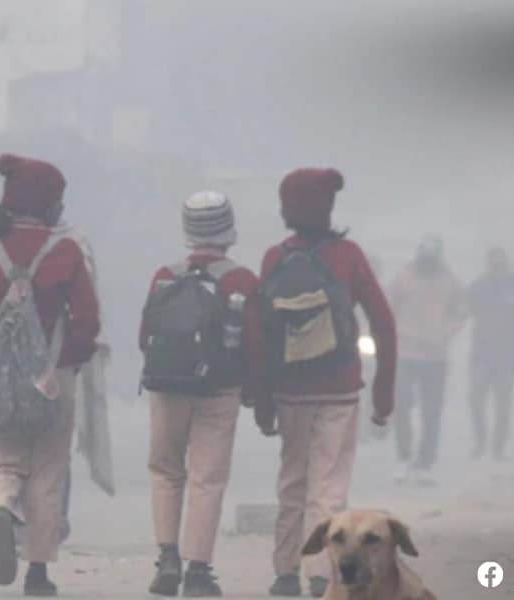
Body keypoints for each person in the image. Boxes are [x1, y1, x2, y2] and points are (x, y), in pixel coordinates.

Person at [0, 153, 100, 597]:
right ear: (45, 203)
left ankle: (2, 506)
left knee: (5, 456)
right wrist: (68, 361)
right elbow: (87, 320)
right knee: (49, 469)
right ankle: (37, 572)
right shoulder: (66, 250)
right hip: (53, 377)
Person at [256, 168, 397, 598]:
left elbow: (262, 333)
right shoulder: (348, 255)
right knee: (328, 487)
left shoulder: (274, 258)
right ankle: (321, 574)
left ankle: (285, 573)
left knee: (292, 483)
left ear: (287, 209)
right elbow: (383, 322)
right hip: (339, 391)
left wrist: (263, 400)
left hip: (290, 391)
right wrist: (383, 395)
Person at [140, 191, 261, 597]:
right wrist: (253, 391)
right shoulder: (241, 280)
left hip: (167, 388)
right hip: (219, 391)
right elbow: (254, 343)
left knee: (165, 471)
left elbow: (145, 336)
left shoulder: (165, 275)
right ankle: (197, 570)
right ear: (228, 229)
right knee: (207, 479)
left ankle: (166, 559)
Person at [388, 235, 466, 486]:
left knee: (431, 413)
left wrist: (445, 334)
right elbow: (387, 308)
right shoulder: (403, 277)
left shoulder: (450, 282)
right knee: (401, 406)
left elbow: (460, 314)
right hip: (405, 353)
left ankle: (425, 464)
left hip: (435, 356)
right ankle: (403, 457)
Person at [465, 247, 514, 461]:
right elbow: (463, 309)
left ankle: (498, 447)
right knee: (476, 401)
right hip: (482, 354)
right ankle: (480, 441)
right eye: (493, 265)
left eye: (500, 265)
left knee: (502, 403)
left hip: (507, 357)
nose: (497, 269)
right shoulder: (479, 287)